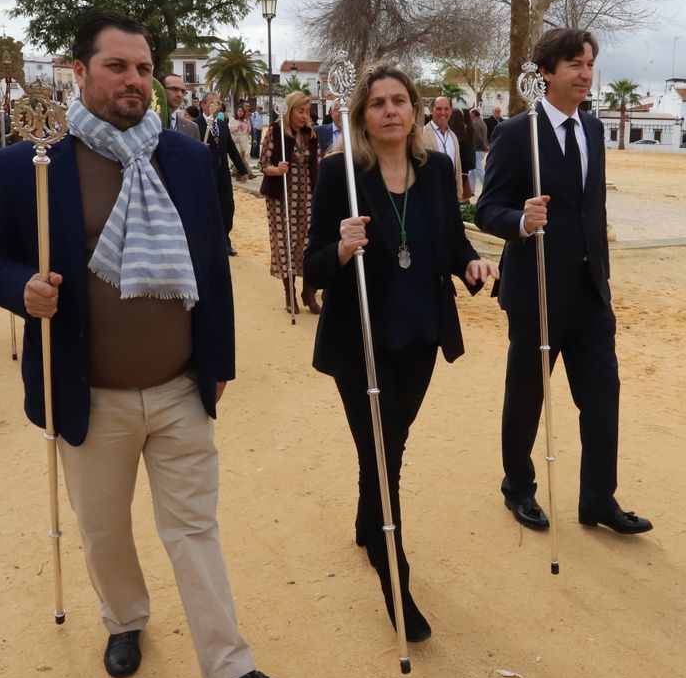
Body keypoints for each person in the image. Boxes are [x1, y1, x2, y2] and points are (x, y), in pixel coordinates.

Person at [0, 12, 283, 678]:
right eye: (118, 66)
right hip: (89, 391)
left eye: (142, 67)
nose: (134, 79)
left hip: (178, 387)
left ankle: (226, 664)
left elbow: (212, 265)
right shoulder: (32, 164)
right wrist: (21, 289)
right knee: (104, 530)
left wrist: (218, 360)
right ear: (79, 72)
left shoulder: (186, 156)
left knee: (194, 528)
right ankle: (125, 619)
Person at [303, 63, 498, 642]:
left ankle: (368, 520)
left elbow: (449, 241)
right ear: (362, 115)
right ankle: (397, 582)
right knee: (383, 451)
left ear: (414, 110)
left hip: (421, 334)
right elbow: (310, 266)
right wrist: (340, 248)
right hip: (358, 339)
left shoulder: (437, 170)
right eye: (377, 103)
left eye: (399, 100)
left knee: (390, 444)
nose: (390, 110)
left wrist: (469, 263)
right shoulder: (340, 174)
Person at [476, 28, 651, 536]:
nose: (585, 73)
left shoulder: (593, 130)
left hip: (591, 291)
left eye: (590, 64)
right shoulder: (516, 133)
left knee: (602, 396)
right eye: (574, 64)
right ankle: (518, 486)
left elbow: (589, 209)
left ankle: (598, 500)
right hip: (537, 291)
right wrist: (521, 221)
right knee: (528, 395)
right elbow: (488, 209)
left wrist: (602, 273)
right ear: (546, 73)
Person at [260, 90, 321, 314]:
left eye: (307, 111)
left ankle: (309, 291)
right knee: (285, 242)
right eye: (301, 111)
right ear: (290, 110)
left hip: (306, 194)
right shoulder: (275, 132)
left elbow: (318, 162)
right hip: (282, 195)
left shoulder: (311, 135)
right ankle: (290, 293)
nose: (305, 116)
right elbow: (263, 163)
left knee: (306, 242)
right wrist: (277, 169)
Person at [197, 91, 251, 256]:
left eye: (218, 103)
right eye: (213, 102)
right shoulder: (194, 125)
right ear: (203, 105)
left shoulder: (222, 125)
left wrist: (243, 170)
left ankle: (225, 241)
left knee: (228, 208)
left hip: (223, 175)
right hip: (204, 176)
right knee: (206, 210)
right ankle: (206, 242)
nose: (216, 105)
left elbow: (231, 150)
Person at [421, 96, 462, 200]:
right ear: (431, 110)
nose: (443, 113)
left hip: (451, 195)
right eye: (439, 109)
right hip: (429, 195)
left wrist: (459, 194)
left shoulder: (453, 136)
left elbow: (457, 168)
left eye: (446, 109)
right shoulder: (421, 134)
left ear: (451, 111)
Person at [468, 106, 489, 192]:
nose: (469, 115)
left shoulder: (475, 123)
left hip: (477, 148)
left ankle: (487, 186)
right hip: (480, 149)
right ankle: (472, 190)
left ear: (473, 114)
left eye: (470, 114)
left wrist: (483, 146)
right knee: (473, 170)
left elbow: (478, 137)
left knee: (478, 169)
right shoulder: (481, 122)